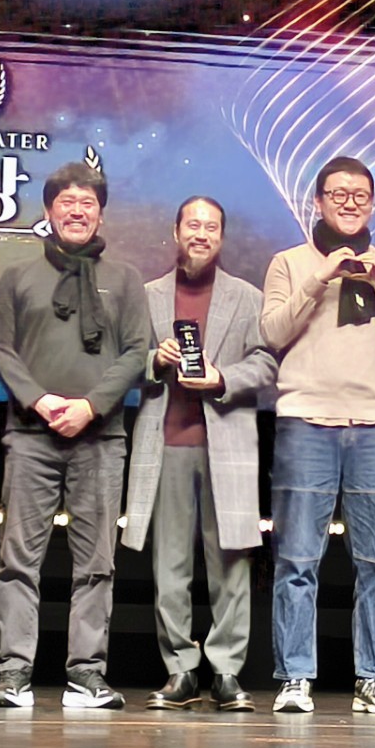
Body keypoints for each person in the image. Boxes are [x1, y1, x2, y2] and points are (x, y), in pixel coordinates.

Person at [259, 155, 375, 714]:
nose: (349, 203)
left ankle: (374, 678)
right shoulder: (289, 262)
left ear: (372, 204)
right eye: (338, 194)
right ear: (319, 201)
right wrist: (321, 278)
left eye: (360, 195)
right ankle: (294, 678)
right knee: (297, 559)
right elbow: (272, 330)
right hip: (306, 420)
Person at [0, 162, 150, 709]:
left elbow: (136, 352)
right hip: (30, 436)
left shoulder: (125, 278)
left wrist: (90, 406)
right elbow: (4, 351)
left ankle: (86, 674)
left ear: (100, 214)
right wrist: (40, 399)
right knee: (18, 561)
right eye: (67, 202)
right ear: (49, 210)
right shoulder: (17, 277)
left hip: (100, 437)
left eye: (87, 204)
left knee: (97, 563)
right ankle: (14, 673)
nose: (77, 212)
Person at [123, 197, 277, 712]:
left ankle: (227, 670)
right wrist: (154, 359)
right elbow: (123, 361)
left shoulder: (247, 297)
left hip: (226, 441)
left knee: (231, 559)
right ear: (176, 231)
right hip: (165, 442)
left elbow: (266, 364)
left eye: (212, 226)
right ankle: (180, 670)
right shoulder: (148, 296)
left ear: (222, 238)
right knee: (170, 564)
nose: (202, 234)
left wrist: (222, 378)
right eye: (194, 224)